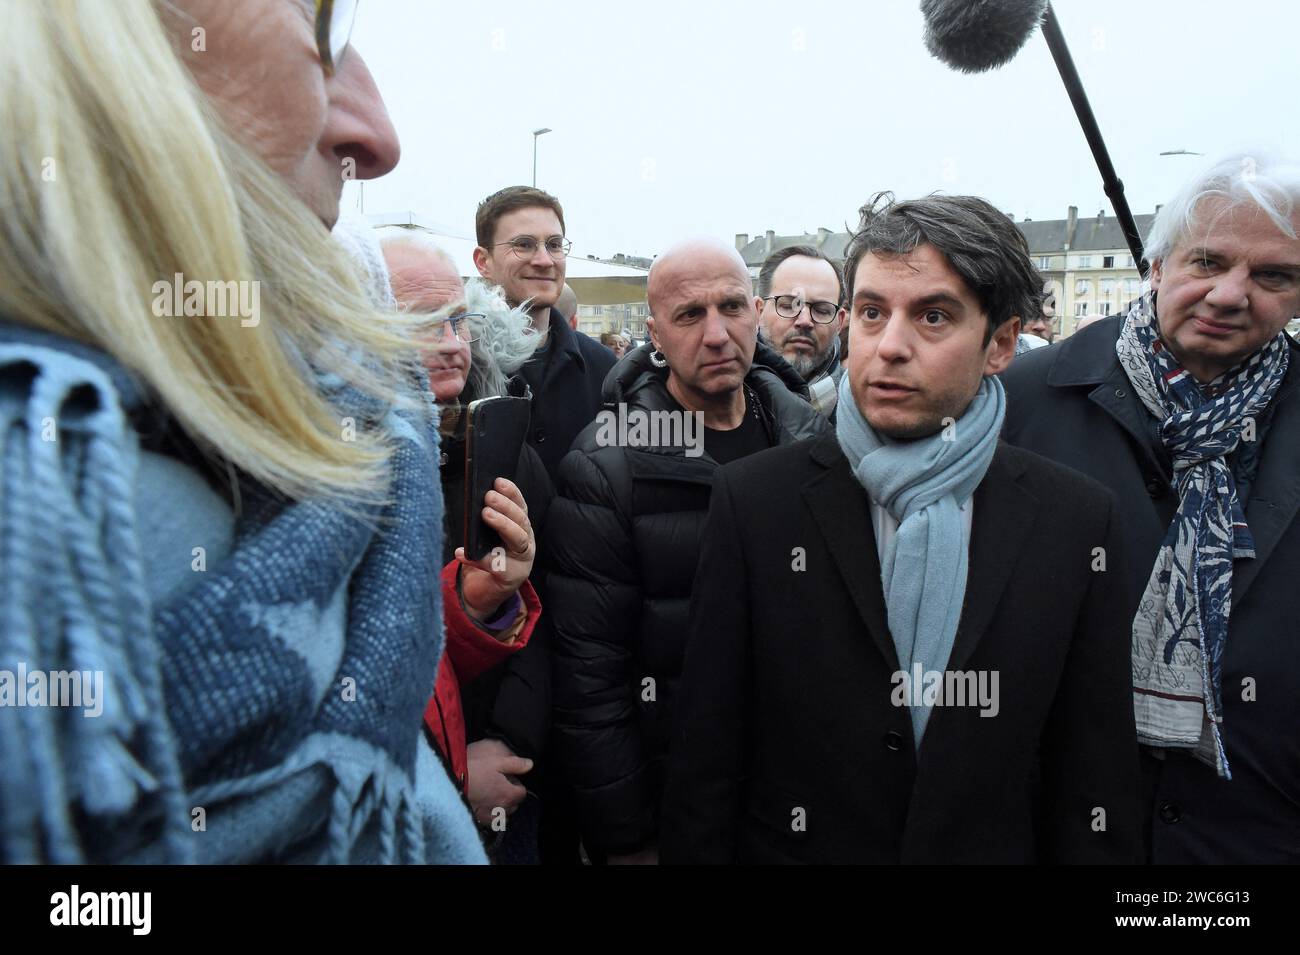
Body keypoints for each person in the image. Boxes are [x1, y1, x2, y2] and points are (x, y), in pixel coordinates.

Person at [0, 0, 483, 863]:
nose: (378, 136)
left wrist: (484, 612)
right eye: (323, 29)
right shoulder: (79, 520)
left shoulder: (357, 448)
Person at [660, 194, 1142, 864]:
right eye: (871, 311)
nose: (889, 346)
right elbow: (706, 759)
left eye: (933, 316)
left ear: (1000, 342)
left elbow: (1093, 775)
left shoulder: (1076, 520)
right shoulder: (754, 502)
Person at [1002, 148, 1300, 863]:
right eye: (1208, 261)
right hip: (1066, 830)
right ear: (1157, 265)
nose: (1231, 294)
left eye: (1272, 275)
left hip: (1253, 834)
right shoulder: (1023, 399)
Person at [547, 239, 827, 864]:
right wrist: (626, 839)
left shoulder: (807, 438)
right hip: (676, 811)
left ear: (757, 311)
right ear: (653, 333)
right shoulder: (606, 463)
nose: (718, 333)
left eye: (731, 307)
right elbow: (589, 678)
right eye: (689, 315)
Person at [381, 232, 554, 861]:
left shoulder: (509, 457)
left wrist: (502, 749)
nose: (453, 344)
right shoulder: (322, 471)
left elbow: (553, 621)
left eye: (458, 320)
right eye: (424, 325)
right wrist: (449, 769)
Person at [472, 186, 616, 479]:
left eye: (554, 244)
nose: (544, 260)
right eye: (523, 244)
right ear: (483, 262)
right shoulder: (462, 363)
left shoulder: (604, 369)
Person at [755, 245, 847, 416]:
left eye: (821, 310)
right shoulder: (715, 396)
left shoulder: (862, 408)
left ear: (839, 321)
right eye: (788, 305)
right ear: (758, 311)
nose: (805, 321)